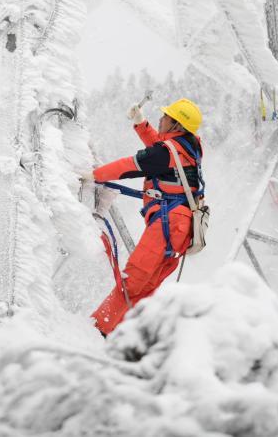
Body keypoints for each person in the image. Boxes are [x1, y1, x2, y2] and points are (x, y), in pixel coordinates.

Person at [83, 98, 203, 336]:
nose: (161, 119)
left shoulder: (165, 153)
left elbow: (132, 165)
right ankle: (127, 336)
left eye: (165, 117)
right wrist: (141, 124)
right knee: (146, 286)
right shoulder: (189, 146)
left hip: (168, 225)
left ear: (176, 125)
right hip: (181, 227)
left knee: (133, 281)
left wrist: (93, 175)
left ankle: (98, 331)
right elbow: (161, 149)